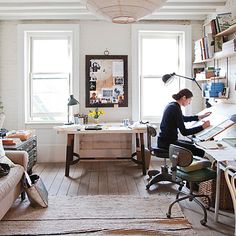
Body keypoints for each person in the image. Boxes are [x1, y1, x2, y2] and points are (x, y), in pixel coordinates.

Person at [158, 88, 211, 157]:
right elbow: (184, 132)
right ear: (184, 98)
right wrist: (202, 127)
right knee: (196, 149)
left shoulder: (172, 105)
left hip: (164, 141)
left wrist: (199, 117)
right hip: (168, 143)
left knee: (192, 144)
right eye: (189, 100)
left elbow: (182, 118)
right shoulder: (175, 108)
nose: (189, 103)